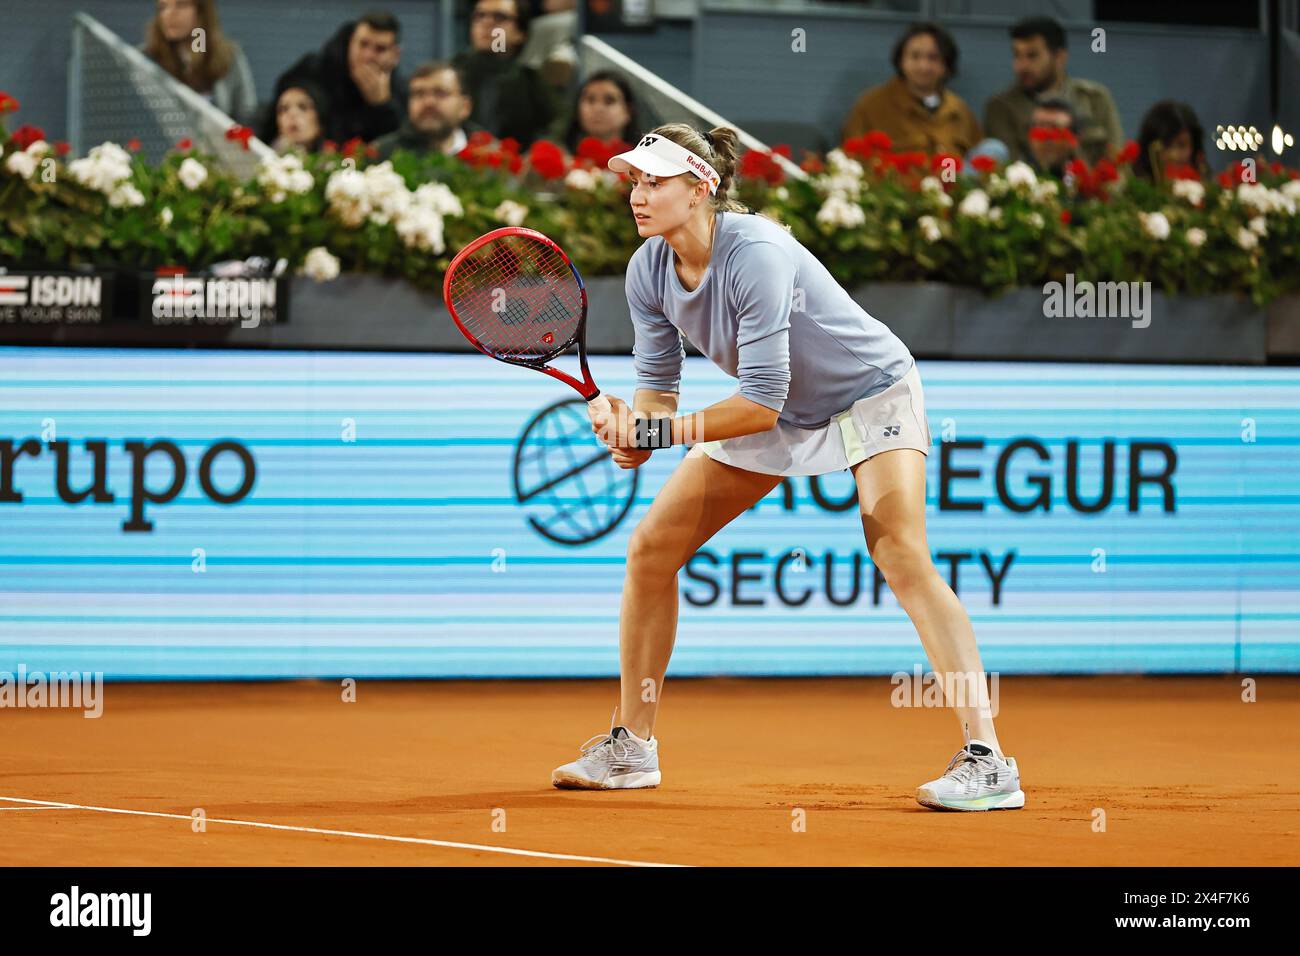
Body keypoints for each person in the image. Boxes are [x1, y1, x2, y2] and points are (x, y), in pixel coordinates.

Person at [550, 124, 1025, 813]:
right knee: (652, 549)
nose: (638, 193)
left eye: (655, 180)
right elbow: (660, 394)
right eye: (634, 180)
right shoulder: (647, 270)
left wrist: (657, 428)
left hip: (868, 393)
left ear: (701, 187)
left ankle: (988, 758)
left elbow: (759, 405)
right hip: (778, 410)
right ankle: (632, 747)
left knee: (898, 549)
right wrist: (634, 431)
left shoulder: (759, 253)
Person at [983, 16, 1123, 166]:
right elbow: (1008, 174)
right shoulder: (1001, 107)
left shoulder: (1094, 98)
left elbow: (1118, 160)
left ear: (1059, 57)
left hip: (1092, 186)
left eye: (1032, 56)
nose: (1021, 66)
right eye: (1017, 55)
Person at [840, 22, 981, 156]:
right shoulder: (871, 105)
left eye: (933, 58)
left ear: (946, 65)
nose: (923, 66)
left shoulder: (960, 110)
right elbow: (851, 161)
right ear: (901, 60)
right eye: (915, 56)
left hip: (949, 180)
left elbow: (978, 165)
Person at [273, 10, 406, 145]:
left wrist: (382, 106)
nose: (367, 56)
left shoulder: (400, 91)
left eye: (380, 49)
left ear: (395, 55)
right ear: (351, 42)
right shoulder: (315, 69)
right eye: (363, 44)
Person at [452, 0, 557, 148]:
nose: (487, 23)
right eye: (479, 16)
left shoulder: (531, 82)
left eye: (499, 17)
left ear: (520, 33)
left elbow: (551, 132)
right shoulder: (450, 75)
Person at [143, 0, 257, 124]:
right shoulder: (145, 58)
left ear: (202, 11)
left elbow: (247, 112)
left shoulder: (229, 55)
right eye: (163, 7)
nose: (170, 14)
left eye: (181, 5)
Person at [371, 62, 482, 160]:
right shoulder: (382, 155)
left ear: (464, 107)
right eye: (419, 94)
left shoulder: (488, 155)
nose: (428, 102)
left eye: (440, 93)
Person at [555, 70, 639, 155]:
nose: (598, 108)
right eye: (590, 100)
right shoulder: (558, 157)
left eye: (609, 101)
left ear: (628, 111)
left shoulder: (641, 162)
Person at [1133, 100, 1208, 180]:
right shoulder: (1132, 188)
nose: (1173, 155)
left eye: (1182, 145)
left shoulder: (1208, 187)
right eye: (1166, 145)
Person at [262, 76, 329, 154]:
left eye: (303, 107)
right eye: (284, 109)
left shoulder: (339, 160)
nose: (292, 114)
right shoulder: (265, 161)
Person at [1025, 97, 1079, 177]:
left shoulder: (1084, 179)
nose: (1047, 139)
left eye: (1055, 127)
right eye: (1040, 127)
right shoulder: (1015, 178)